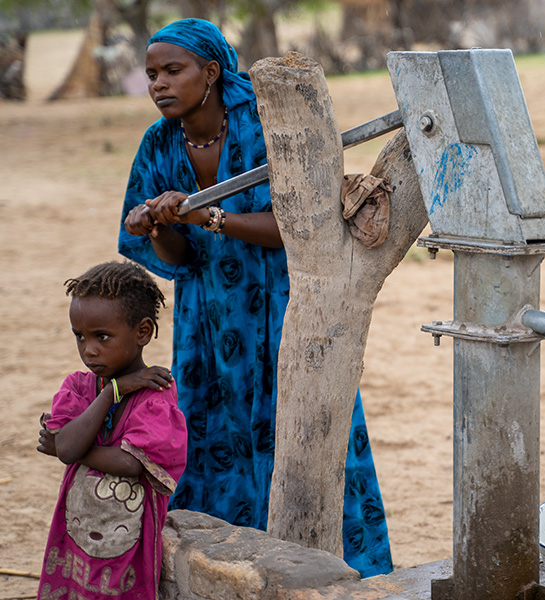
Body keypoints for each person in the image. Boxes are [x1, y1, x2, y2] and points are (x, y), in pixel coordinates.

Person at [117, 18, 392, 576]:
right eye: (151, 75)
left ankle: (338, 567)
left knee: (304, 428)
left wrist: (212, 216)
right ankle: (225, 570)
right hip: (208, 320)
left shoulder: (268, 125)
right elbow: (179, 259)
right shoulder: (159, 143)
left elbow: (305, 226)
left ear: (212, 72)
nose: (160, 85)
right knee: (213, 431)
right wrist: (159, 225)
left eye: (174, 71)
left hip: (284, 306)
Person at [36, 261, 188, 599]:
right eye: (80, 336)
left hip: (126, 545)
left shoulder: (156, 399)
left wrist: (63, 447)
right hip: (73, 536)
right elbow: (69, 447)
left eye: (102, 336)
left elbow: (130, 463)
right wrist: (112, 391)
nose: (89, 349)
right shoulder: (79, 387)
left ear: (143, 332)